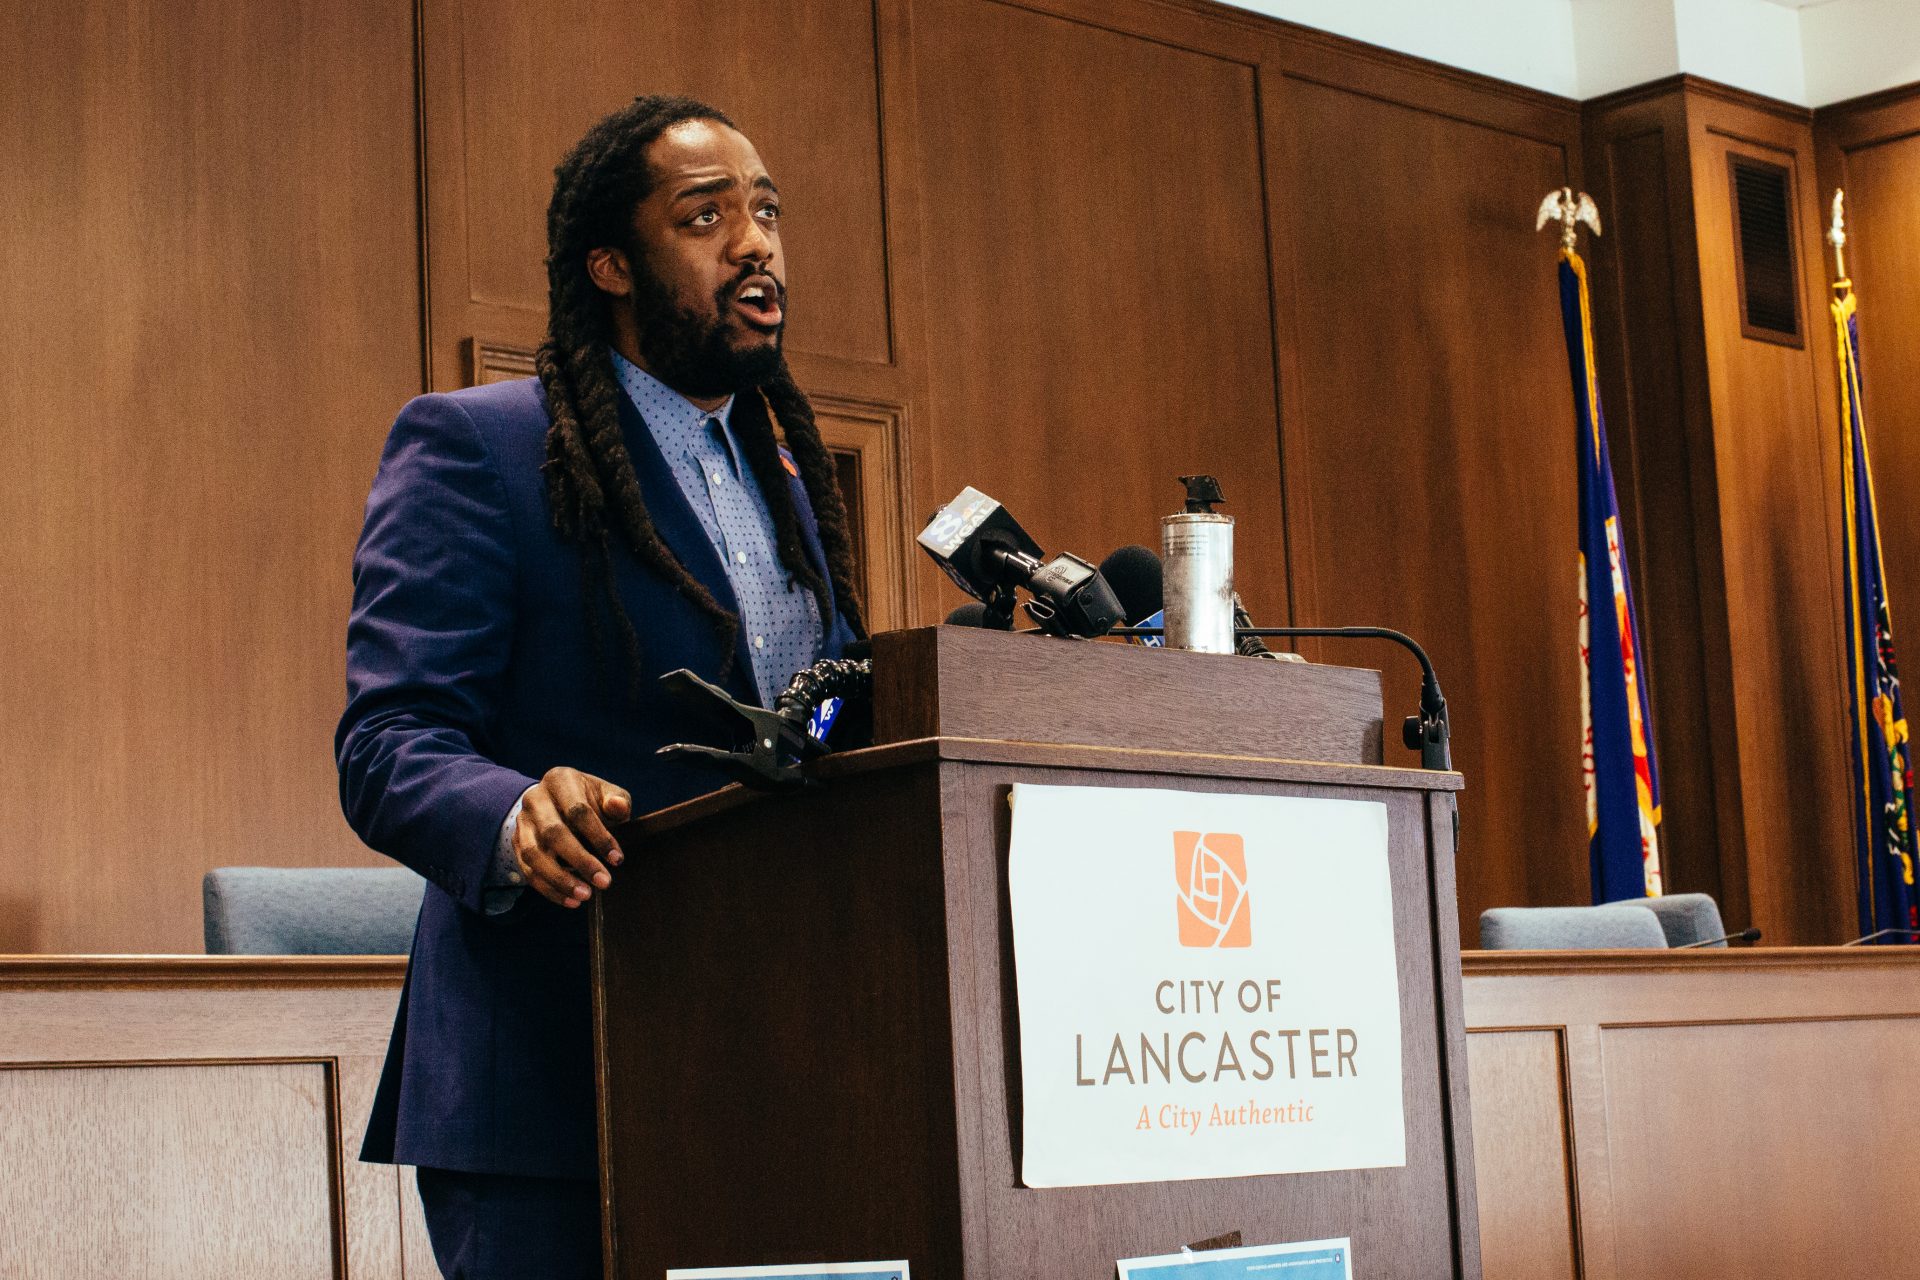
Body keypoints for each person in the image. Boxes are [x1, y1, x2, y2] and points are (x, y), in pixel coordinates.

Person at [335, 95, 865, 1279]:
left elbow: (802, 717)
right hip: (551, 1085)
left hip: (769, 1060)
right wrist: (515, 813)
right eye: (707, 215)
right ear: (611, 263)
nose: (756, 242)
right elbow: (389, 739)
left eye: (767, 211)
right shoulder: (478, 448)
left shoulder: (785, 474)